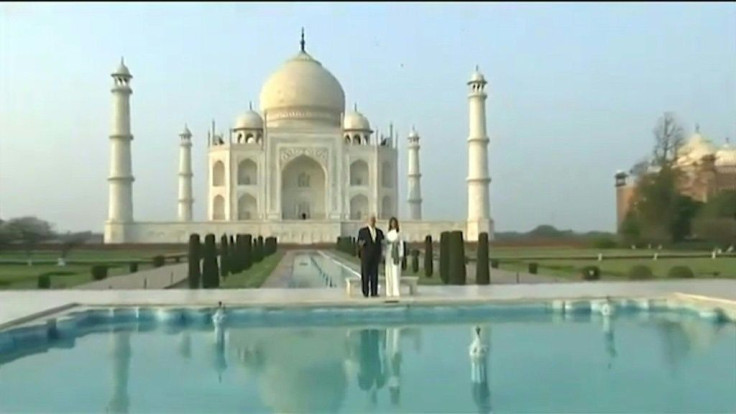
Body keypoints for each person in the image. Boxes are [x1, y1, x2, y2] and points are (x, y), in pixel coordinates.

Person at [357, 215, 384, 297]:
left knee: (374, 275)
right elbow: (359, 242)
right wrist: (361, 245)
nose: (372, 222)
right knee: (365, 275)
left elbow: (381, 244)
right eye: (371, 220)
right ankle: (365, 292)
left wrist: (381, 255)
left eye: (373, 220)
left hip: (375, 257)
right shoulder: (363, 231)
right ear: (368, 221)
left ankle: (374, 292)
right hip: (366, 257)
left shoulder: (379, 232)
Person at [384, 217, 404, 298]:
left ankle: (396, 291)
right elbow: (385, 246)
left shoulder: (399, 234)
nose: (393, 224)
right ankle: (389, 291)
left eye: (394, 223)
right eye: (392, 223)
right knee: (389, 273)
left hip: (396, 255)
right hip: (389, 255)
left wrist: (401, 255)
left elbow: (401, 245)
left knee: (396, 273)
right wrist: (384, 254)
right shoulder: (387, 234)